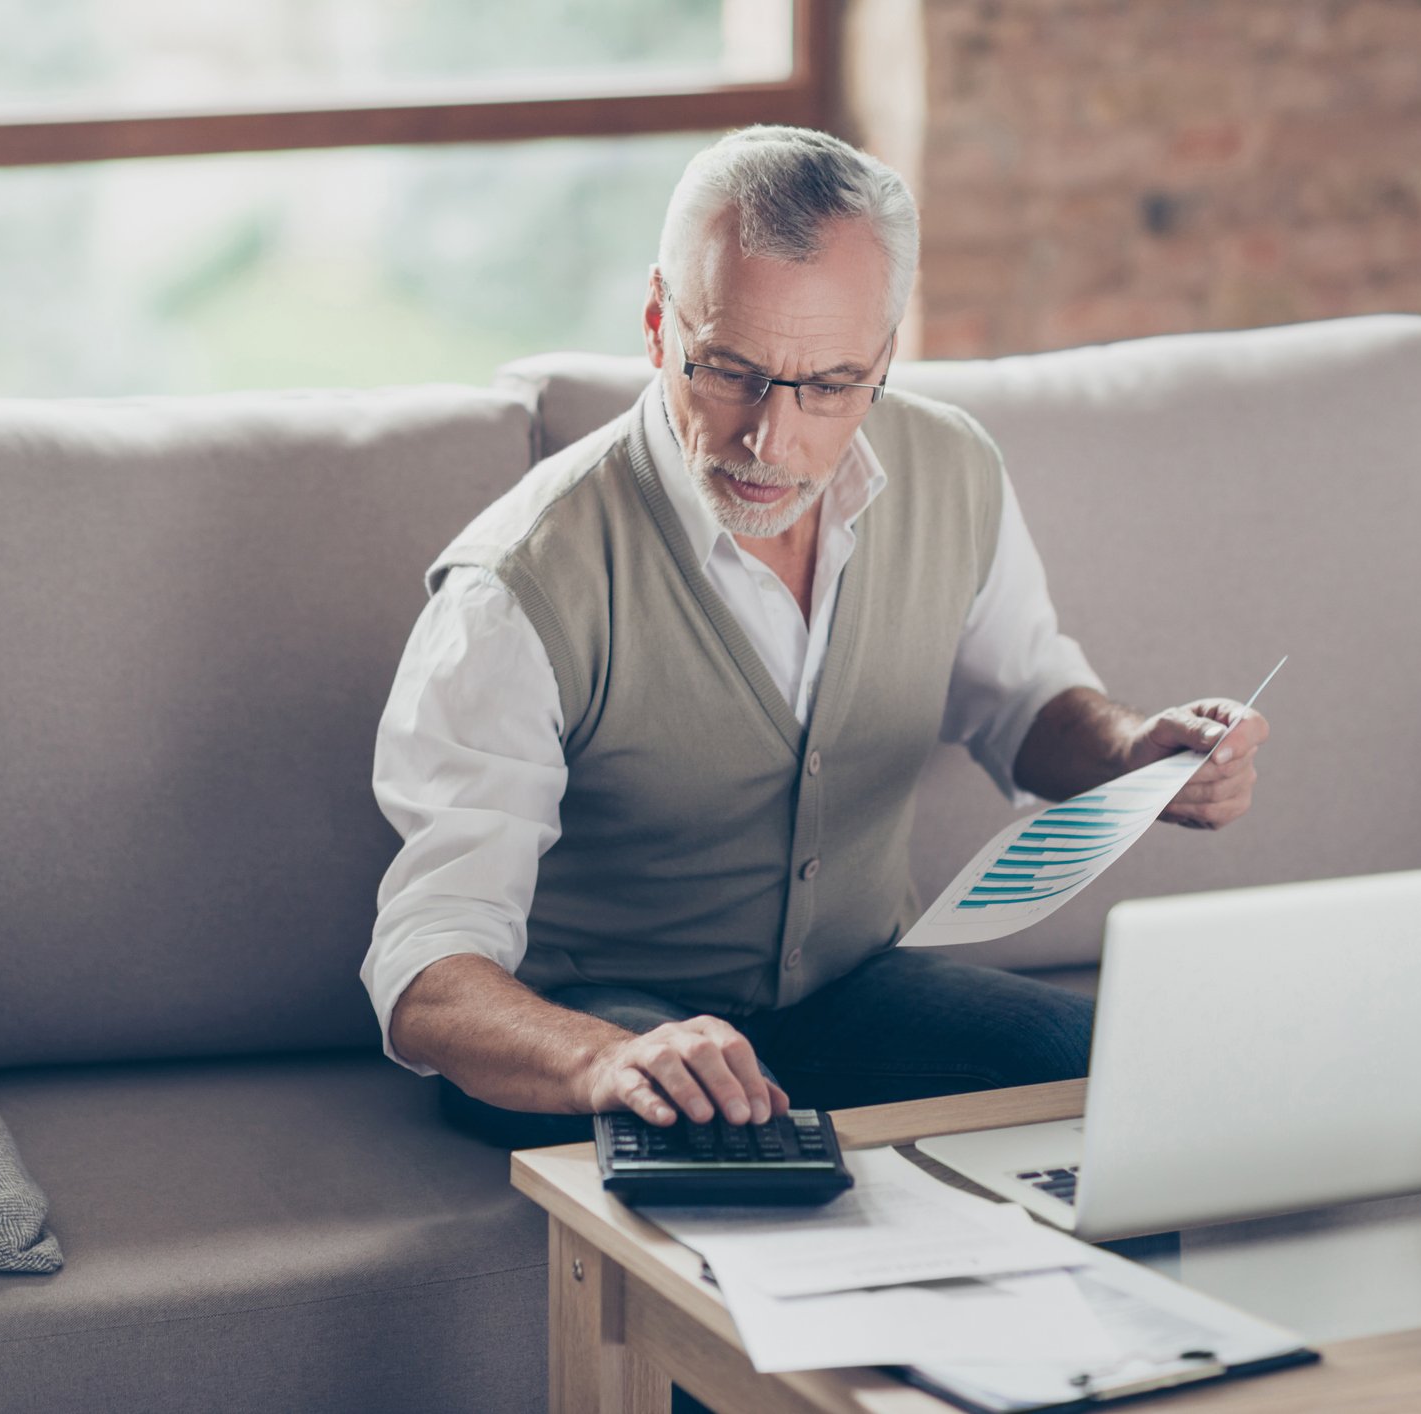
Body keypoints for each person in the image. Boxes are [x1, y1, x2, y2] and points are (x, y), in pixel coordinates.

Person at [363, 126, 1269, 1148]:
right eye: (730, 371)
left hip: (853, 991)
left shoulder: (953, 468)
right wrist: (604, 1058)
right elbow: (428, 969)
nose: (770, 441)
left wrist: (1129, 751)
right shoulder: (518, 585)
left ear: (883, 353)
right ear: (659, 322)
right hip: (602, 1019)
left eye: (831, 385)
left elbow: (1019, 702)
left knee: (1126, 1077)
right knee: (723, 1146)